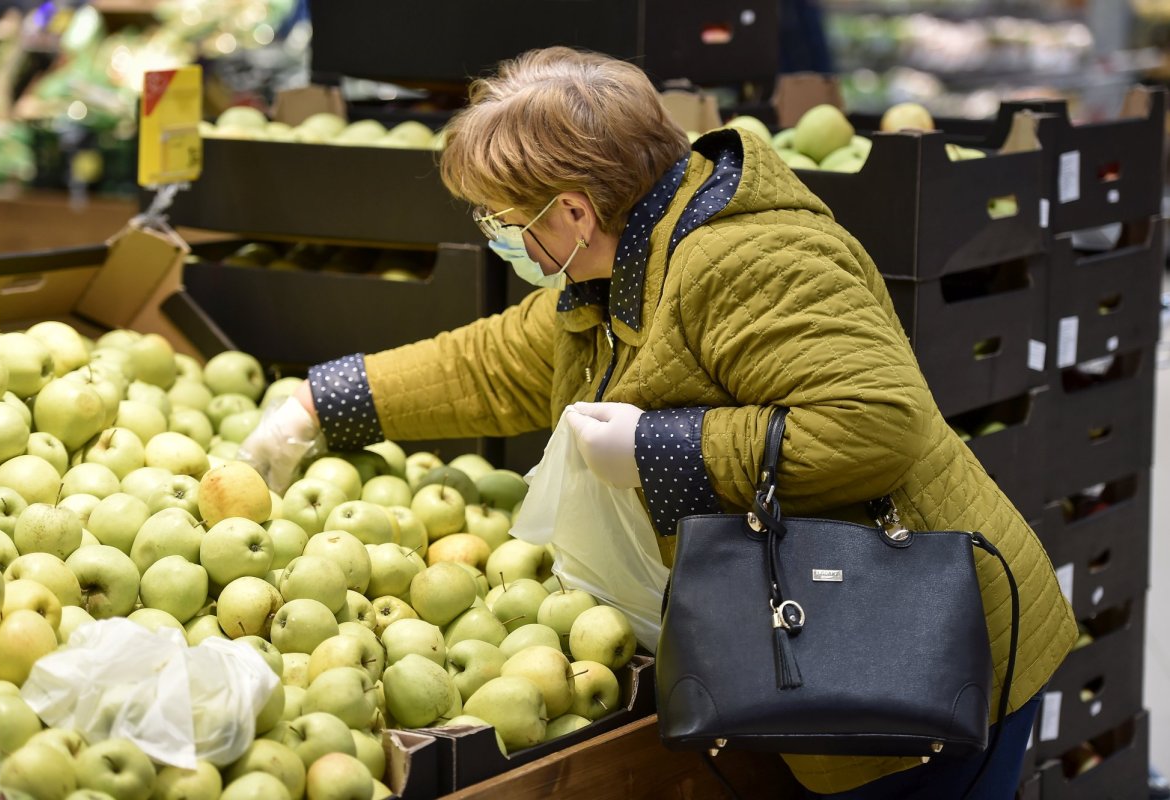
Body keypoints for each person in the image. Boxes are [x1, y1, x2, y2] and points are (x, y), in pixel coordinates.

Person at [239, 46, 1076, 797]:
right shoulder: (621, 272)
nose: (500, 237)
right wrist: (321, 403)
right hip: (830, 637)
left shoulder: (746, 259)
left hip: (923, 662)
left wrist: (657, 449)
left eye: (504, 218)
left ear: (571, 212)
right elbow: (491, 364)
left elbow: (874, 424)